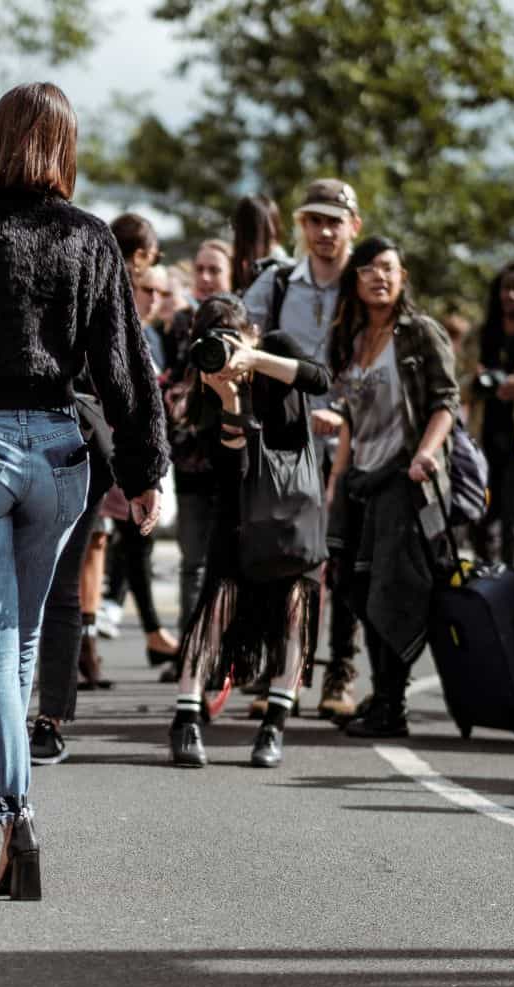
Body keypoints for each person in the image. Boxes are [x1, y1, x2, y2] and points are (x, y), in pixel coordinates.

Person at [0, 83, 168, 899]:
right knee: (14, 644)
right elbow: (126, 368)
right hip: (59, 454)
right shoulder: (90, 239)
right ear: (67, 147)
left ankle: (17, 814)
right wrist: (144, 470)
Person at [167, 295, 331, 768]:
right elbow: (234, 468)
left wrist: (254, 360)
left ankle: (273, 727)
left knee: (296, 611)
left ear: (252, 332)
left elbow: (319, 378)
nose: (222, 347)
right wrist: (229, 400)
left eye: (231, 336)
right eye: (211, 339)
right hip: (239, 515)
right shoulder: (206, 384)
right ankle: (186, 720)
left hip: (294, 512)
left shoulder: (274, 348)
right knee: (214, 612)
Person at [327, 237, 458, 739]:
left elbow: (447, 401)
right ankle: (381, 695)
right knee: (358, 592)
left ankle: (392, 705)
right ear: (355, 280)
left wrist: (427, 452)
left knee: (394, 590)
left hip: (405, 480)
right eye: (369, 269)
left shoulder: (421, 333)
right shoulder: (352, 337)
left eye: (389, 268)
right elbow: (348, 417)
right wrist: (337, 481)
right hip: (360, 479)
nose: (379, 277)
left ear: (403, 276)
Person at [243, 178, 363, 719]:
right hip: (288, 446)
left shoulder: (365, 286)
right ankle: (280, 672)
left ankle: (340, 672)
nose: (323, 231)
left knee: (341, 561)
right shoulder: (278, 283)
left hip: (347, 442)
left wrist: (347, 415)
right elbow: (246, 339)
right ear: (301, 227)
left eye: (334, 221)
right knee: (284, 558)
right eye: (313, 220)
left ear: (353, 227)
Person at [160, 240, 235, 678]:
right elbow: (167, 376)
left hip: (232, 464)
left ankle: (226, 653)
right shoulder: (182, 323)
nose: (206, 278)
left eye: (215, 270)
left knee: (229, 563)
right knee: (192, 564)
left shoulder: (242, 321)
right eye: (200, 270)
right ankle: (189, 653)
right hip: (190, 463)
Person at [105, 218, 177, 669]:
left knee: (135, 543)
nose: (155, 299)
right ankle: (123, 628)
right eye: (148, 287)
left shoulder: (151, 336)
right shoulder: (113, 323)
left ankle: (147, 628)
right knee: (101, 547)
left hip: (137, 458)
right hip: (107, 451)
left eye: (160, 292)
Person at [475, 262, 514, 568]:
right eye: (506, 288)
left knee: (513, 526)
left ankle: (512, 596)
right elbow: (457, 383)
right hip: (483, 439)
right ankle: (483, 590)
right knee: (478, 517)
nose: (512, 295)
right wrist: (478, 379)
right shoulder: (482, 335)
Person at [230, 194, 288, 295]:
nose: (272, 247)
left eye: (271, 238)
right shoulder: (228, 273)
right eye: (265, 238)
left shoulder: (284, 278)